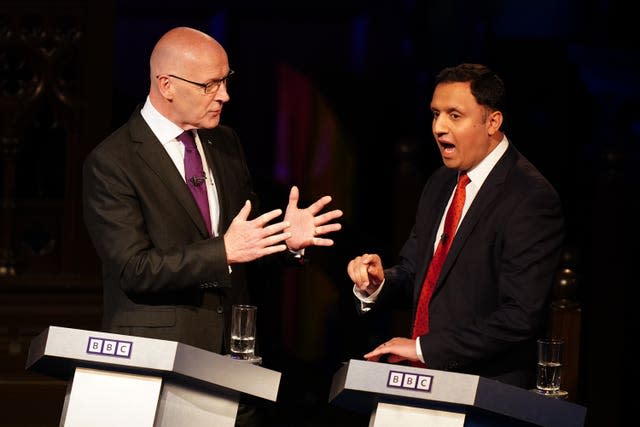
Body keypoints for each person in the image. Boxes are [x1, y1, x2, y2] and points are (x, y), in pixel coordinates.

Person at [82, 26, 342, 359]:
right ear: (167, 85)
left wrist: (285, 242)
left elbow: (245, 243)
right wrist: (222, 251)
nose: (224, 95)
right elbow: (135, 270)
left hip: (233, 351)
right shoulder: (112, 161)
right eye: (210, 85)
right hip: (158, 357)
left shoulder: (225, 142)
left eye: (225, 80)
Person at [347, 63, 564, 388]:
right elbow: (415, 272)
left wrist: (422, 349)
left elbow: (519, 316)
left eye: (454, 115)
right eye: (435, 114)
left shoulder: (530, 197)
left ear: (493, 121)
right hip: (421, 381)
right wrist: (378, 282)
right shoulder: (439, 183)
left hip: (484, 389)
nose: (439, 127)